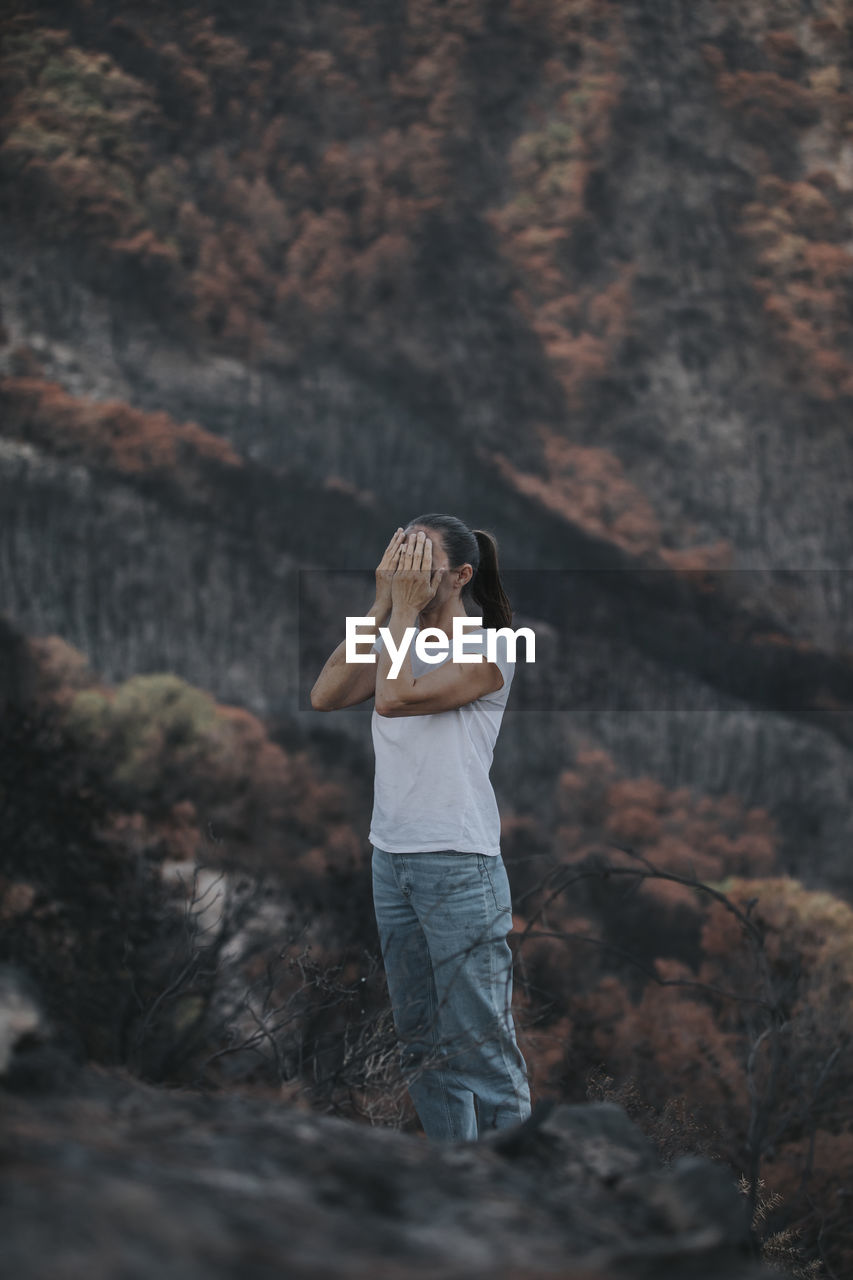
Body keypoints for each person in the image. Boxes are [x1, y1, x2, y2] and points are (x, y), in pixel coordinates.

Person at [310, 514, 531, 1141]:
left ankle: (522, 1191)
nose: (406, 572)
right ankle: (454, 1174)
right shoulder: (395, 638)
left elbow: (394, 698)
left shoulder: (492, 650)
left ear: (462, 576)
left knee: (482, 1047)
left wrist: (397, 616)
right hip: (392, 859)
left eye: (419, 561)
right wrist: (382, 605)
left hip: (460, 865)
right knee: (420, 1045)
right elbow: (326, 694)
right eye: (398, 558)